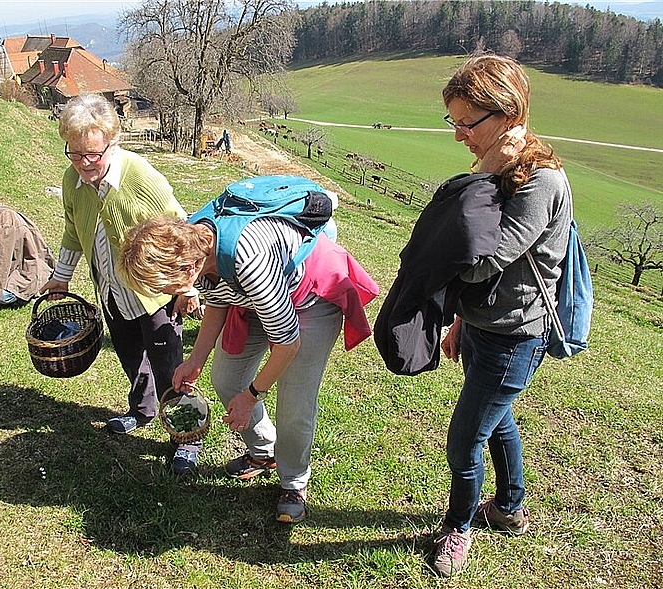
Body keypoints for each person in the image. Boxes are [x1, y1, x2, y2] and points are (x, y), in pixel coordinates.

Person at [116, 206, 378, 523]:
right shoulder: (195, 241)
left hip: (310, 298)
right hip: (254, 298)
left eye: (165, 288)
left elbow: (287, 345)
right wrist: (196, 359)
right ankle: (265, 452)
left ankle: (293, 483)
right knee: (227, 378)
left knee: (294, 402)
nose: (164, 295)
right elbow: (217, 294)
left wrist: (252, 395)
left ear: (186, 271)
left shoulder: (249, 260)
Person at [428, 53, 572, 576]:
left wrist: (485, 172)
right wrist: (463, 321)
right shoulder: (507, 171)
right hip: (484, 328)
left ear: (508, 115)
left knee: (465, 438)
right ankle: (509, 508)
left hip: (514, 338)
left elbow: (478, 261)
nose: (459, 135)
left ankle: (457, 529)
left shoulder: (540, 182)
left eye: (468, 123)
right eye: (455, 122)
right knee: (496, 418)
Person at [40, 92, 202, 474]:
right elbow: (71, 228)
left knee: (169, 366)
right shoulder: (72, 179)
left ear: (112, 142)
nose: (83, 164)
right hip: (112, 291)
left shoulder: (140, 175)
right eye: (75, 154)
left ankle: (187, 436)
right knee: (131, 356)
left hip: (155, 293)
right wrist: (62, 275)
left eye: (92, 154)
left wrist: (186, 288)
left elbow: (182, 231)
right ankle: (143, 410)